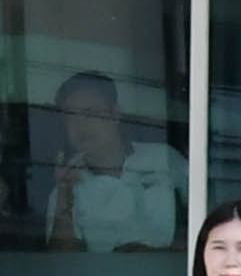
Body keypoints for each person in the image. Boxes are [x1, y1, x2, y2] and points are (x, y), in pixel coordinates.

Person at [52, 70, 187, 256]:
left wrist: (160, 255)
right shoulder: (66, 185)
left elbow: (206, 224)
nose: (81, 125)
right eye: (71, 117)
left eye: (91, 113)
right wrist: (64, 200)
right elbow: (62, 264)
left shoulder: (164, 159)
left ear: (115, 114)